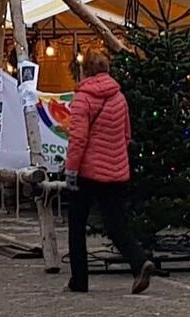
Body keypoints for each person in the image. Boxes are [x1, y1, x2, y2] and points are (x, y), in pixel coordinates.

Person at [65, 49, 154, 295]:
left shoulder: (83, 99)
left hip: (88, 173)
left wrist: (71, 170)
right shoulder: (119, 97)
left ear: (86, 71)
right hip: (117, 172)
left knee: (76, 225)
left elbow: (78, 139)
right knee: (116, 224)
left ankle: (79, 280)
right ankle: (139, 261)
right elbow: (126, 136)